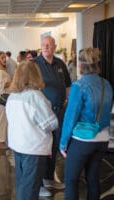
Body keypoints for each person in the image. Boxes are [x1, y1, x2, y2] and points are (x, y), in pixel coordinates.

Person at [59, 48, 113, 200]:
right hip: (103, 139)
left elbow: (70, 117)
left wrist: (63, 143)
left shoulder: (78, 86)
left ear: (81, 64)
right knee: (93, 179)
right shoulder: (106, 84)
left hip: (82, 140)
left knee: (71, 181)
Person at [6, 61, 58, 200]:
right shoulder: (36, 96)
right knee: (30, 189)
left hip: (18, 146)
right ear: (36, 75)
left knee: (22, 185)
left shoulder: (12, 96)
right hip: (34, 148)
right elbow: (51, 124)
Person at [34, 35, 71, 196]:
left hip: (59, 112)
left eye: (49, 45)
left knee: (54, 146)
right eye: (43, 45)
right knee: (42, 147)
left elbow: (68, 85)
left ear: (54, 47)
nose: (46, 47)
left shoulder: (60, 63)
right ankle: (40, 182)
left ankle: (49, 178)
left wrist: (67, 101)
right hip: (43, 114)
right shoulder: (35, 65)